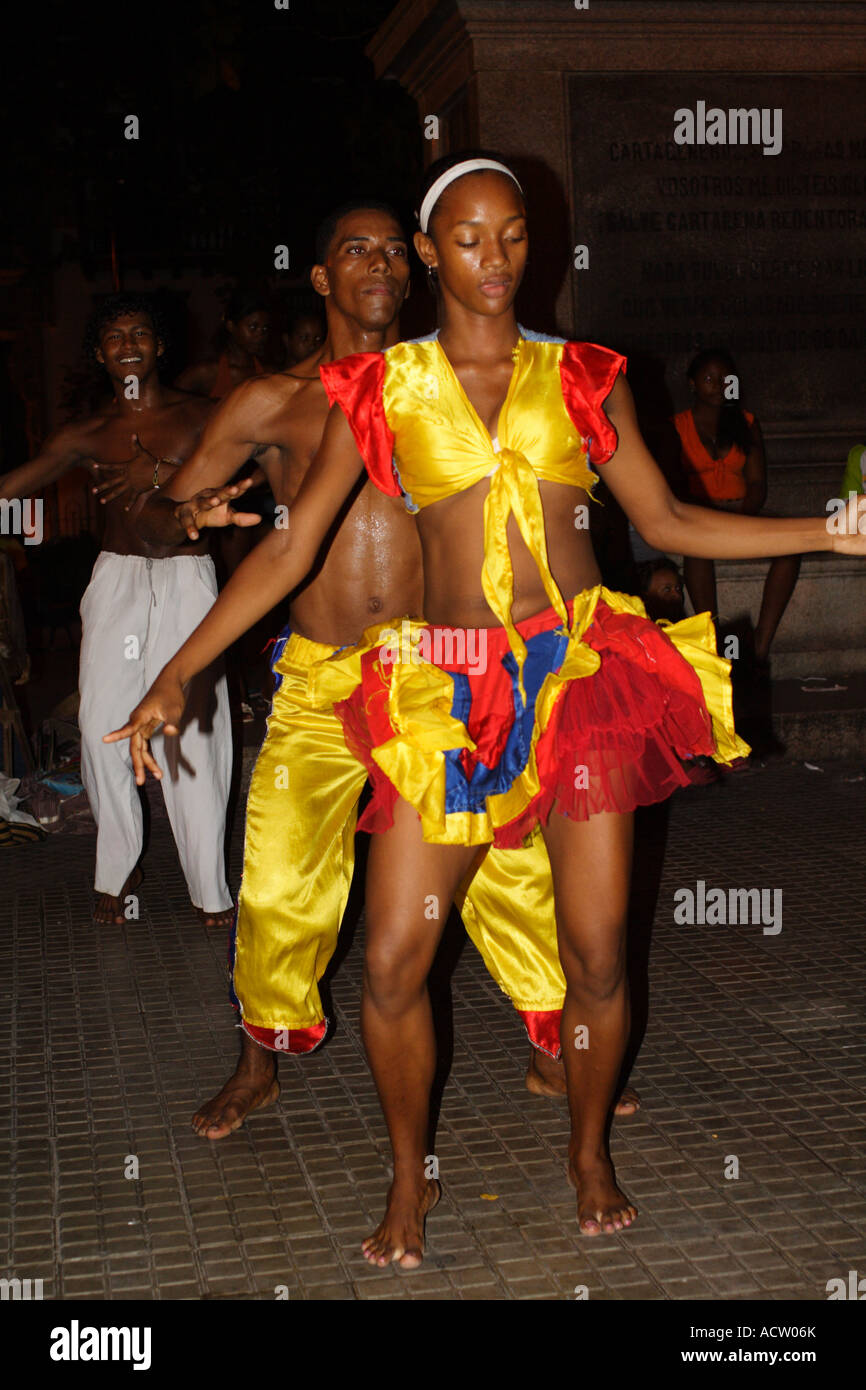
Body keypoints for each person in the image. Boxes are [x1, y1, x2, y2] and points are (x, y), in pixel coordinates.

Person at [105, 151, 866, 1262]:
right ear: (429, 251)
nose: (494, 258)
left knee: (598, 953)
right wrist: (180, 667)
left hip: (576, 675)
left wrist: (828, 531)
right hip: (445, 692)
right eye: (466, 238)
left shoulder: (584, 375)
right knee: (392, 963)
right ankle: (410, 1177)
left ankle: (587, 1148)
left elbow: (674, 520)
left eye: (512, 235)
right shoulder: (383, 388)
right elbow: (293, 545)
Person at [131, 199, 640, 1134]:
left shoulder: (431, 387)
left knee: (510, 864)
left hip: (439, 675)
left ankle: (552, 1046)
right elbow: (161, 515)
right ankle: (258, 1061)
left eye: (388, 252)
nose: (376, 268)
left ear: (417, 268)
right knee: (282, 873)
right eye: (350, 251)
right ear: (320, 277)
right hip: (323, 679)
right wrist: (185, 524)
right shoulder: (268, 402)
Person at [0, 293, 234, 928]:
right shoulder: (89, 432)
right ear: (99, 355)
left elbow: (258, 469)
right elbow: (18, 484)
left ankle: (210, 889)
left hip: (188, 580)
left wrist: (164, 470)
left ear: (159, 346)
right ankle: (117, 867)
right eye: (113, 337)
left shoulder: (204, 416)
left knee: (195, 729)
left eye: (139, 333)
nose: (128, 344)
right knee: (104, 718)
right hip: (117, 580)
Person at [674, 349, 801, 666]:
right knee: (696, 549)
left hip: (741, 513)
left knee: (790, 549)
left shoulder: (746, 423)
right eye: (708, 379)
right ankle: (711, 638)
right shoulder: (677, 426)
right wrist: (707, 518)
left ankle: (760, 644)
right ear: (692, 384)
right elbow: (670, 484)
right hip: (697, 517)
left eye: (724, 379)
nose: (717, 386)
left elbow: (758, 484)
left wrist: (742, 521)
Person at [175, 288, 271, 400]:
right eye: (253, 327)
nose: (260, 335)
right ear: (231, 326)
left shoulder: (270, 373)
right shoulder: (206, 373)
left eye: (265, 329)